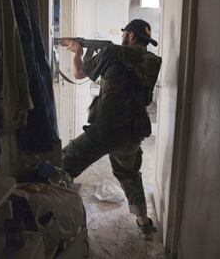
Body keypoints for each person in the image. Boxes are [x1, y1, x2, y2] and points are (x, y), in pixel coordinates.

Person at [61, 19, 162, 239]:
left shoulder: (111, 52)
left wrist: (78, 51)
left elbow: (78, 73)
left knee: (64, 165)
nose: (123, 36)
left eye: (125, 33)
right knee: (129, 174)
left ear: (131, 36)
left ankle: (58, 219)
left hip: (106, 131)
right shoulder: (152, 61)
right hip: (133, 133)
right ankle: (144, 223)